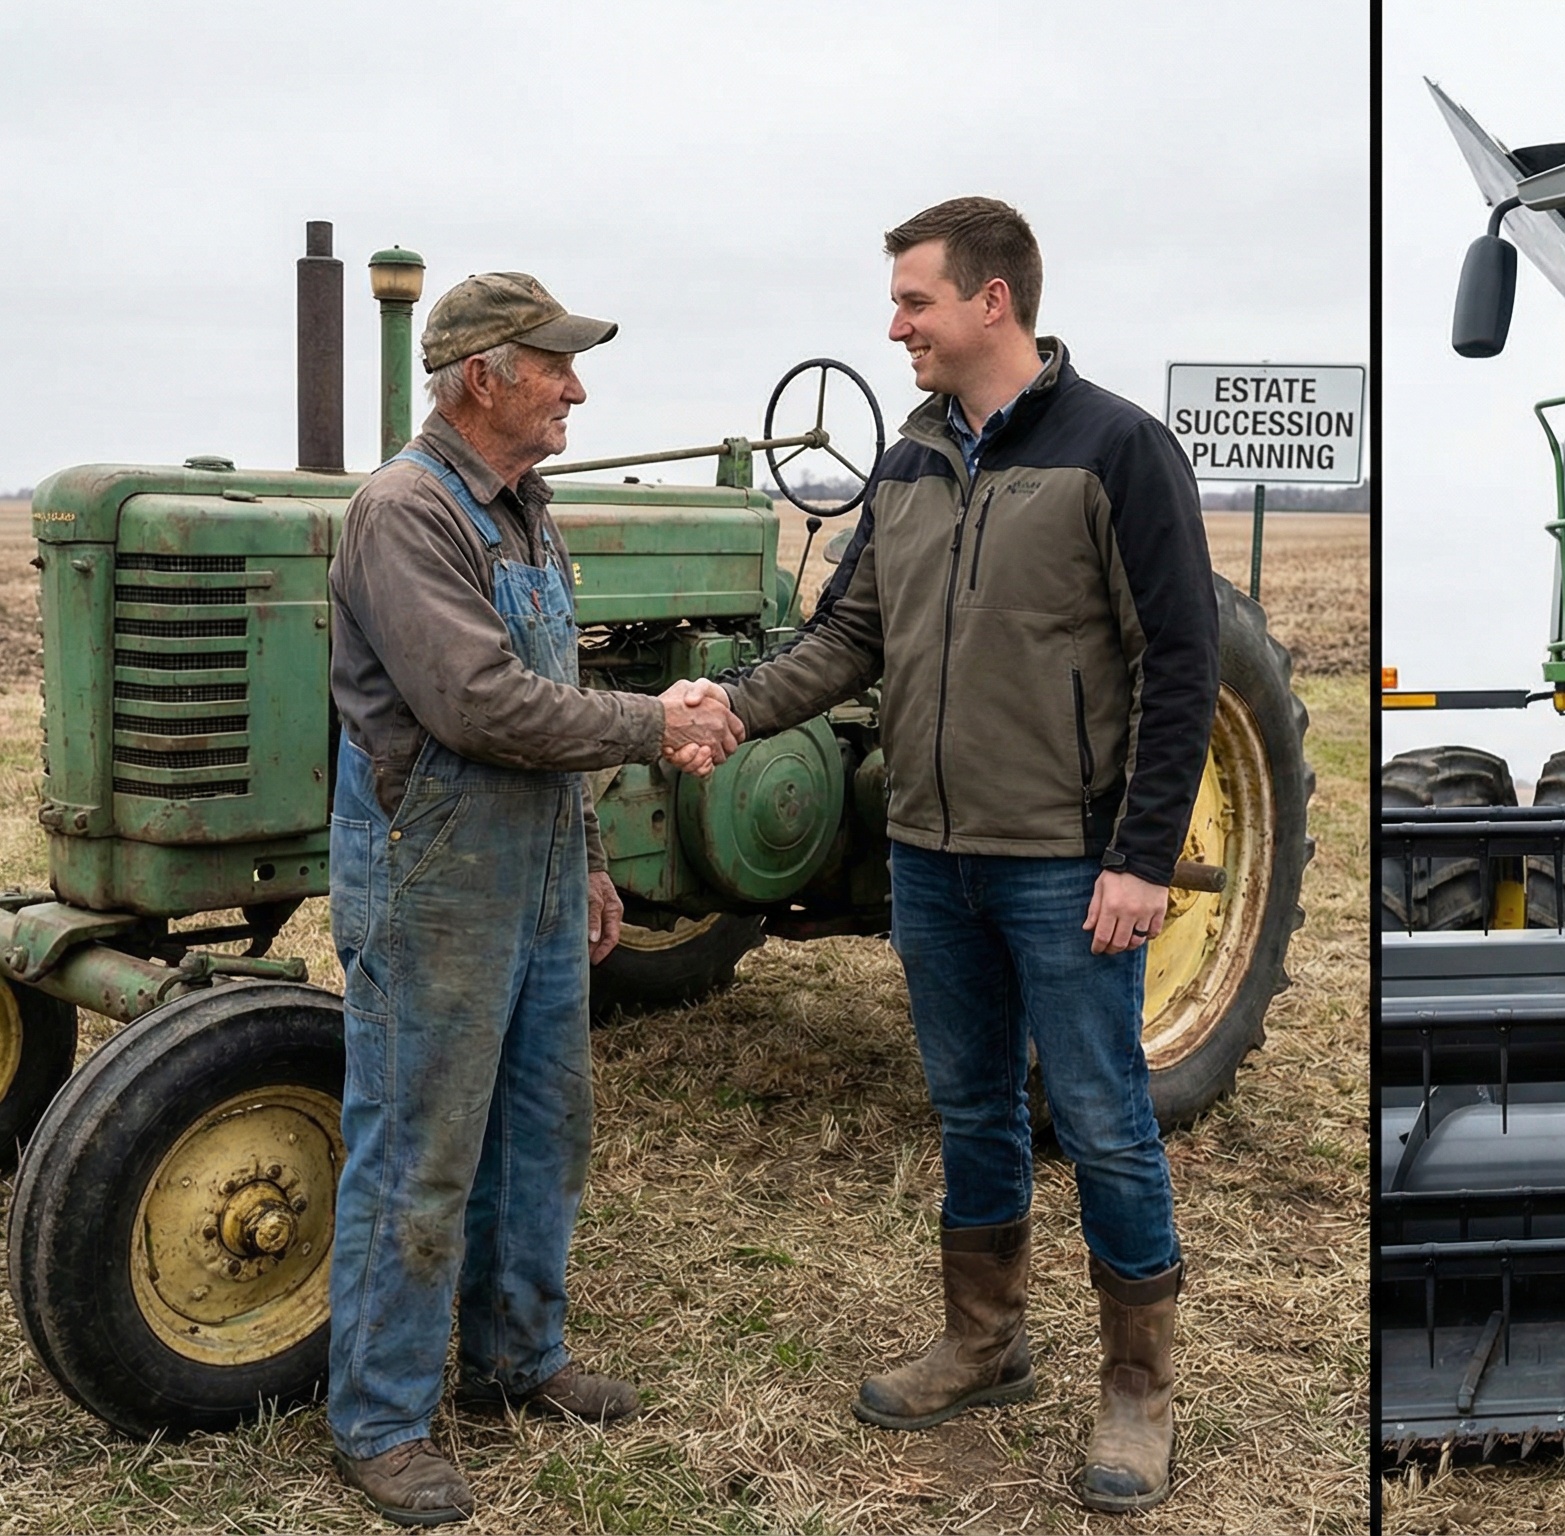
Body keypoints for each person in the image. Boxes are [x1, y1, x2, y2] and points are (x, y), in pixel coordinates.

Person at [716, 196, 1214, 1512]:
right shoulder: (913, 457)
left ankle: (1138, 1390)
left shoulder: (1121, 451)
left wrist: (1141, 857)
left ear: (993, 301)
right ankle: (986, 1342)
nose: (896, 328)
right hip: (929, 855)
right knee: (971, 1106)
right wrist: (727, 712)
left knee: (1105, 1123)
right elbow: (846, 639)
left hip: (1062, 859)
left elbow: (1181, 665)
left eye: (914, 302)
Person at [323, 271, 746, 1525]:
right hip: (436, 877)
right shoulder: (405, 513)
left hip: (543, 871)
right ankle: (381, 1420)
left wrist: (596, 860)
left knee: (540, 1131)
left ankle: (516, 1360)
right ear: (483, 376)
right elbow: (477, 704)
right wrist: (652, 722)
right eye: (555, 365)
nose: (577, 387)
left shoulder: (526, 510)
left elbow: (544, 689)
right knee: (418, 1150)